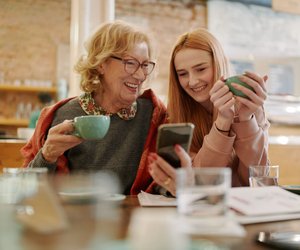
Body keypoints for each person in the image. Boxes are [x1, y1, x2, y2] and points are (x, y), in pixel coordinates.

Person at [20, 20, 167, 195]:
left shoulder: (153, 114)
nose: (141, 75)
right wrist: (47, 155)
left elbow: (165, 184)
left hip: (137, 219)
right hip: (80, 219)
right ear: (101, 63)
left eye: (144, 65)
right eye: (130, 63)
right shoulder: (61, 115)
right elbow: (25, 192)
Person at [148, 28, 269, 196]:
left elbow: (257, 180)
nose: (192, 81)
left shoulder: (251, 106)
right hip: (202, 210)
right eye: (183, 74)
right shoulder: (178, 117)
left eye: (200, 69)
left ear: (218, 64)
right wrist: (222, 123)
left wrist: (246, 119)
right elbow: (199, 182)